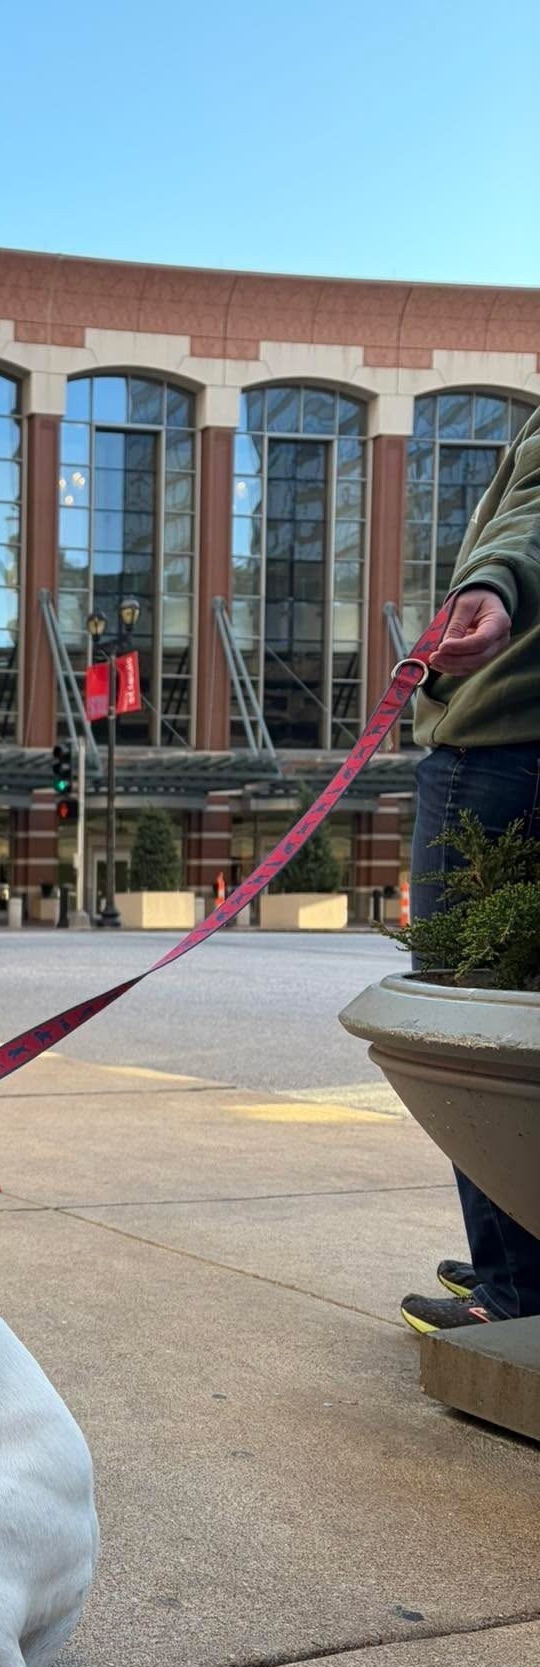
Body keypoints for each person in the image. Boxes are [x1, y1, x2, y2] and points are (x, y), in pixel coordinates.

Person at [397, 406, 540, 1335]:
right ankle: (520, 1257)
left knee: (467, 1014)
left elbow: (534, 509)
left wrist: (496, 578)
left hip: (502, 742)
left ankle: (515, 1290)